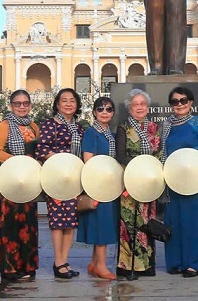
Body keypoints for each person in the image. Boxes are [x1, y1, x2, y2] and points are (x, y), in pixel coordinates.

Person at [161, 86, 198, 277]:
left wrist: (185, 158)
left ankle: (195, 263)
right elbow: (162, 149)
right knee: (175, 221)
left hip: (193, 178)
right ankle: (176, 262)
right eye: (175, 101)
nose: (179, 104)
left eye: (183, 100)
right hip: (173, 180)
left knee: (194, 221)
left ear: (190, 102)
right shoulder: (167, 125)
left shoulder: (196, 122)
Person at [0, 89, 40, 281]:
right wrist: (17, 161)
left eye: (25, 103)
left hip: (29, 180)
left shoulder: (34, 126)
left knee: (28, 223)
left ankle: (27, 265)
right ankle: (9, 267)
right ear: (11, 106)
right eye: (18, 103)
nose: (22, 106)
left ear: (30, 105)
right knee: (9, 224)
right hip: (11, 178)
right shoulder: (5, 125)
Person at [35, 88, 84, 279]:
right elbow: (42, 149)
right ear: (57, 104)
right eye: (64, 100)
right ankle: (58, 262)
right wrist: (62, 160)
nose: (68, 104)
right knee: (57, 221)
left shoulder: (79, 128)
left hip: (73, 178)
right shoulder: (50, 125)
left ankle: (65, 260)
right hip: (55, 176)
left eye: (72, 100)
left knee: (70, 221)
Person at [115, 88, 161, 277]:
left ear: (147, 107)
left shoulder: (154, 128)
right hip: (131, 179)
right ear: (129, 107)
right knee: (129, 223)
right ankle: (127, 265)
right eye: (136, 104)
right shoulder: (123, 127)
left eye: (142, 104)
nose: (139, 107)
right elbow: (120, 154)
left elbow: (158, 153)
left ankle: (147, 264)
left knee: (147, 221)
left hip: (149, 179)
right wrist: (138, 168)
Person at [77, 96, 120, 280]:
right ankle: (102, 266)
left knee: (105, 223)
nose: (104, 112)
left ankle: (95, 263)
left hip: (110, 183)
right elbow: (88, 159)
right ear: (94, 112)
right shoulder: (91, 132)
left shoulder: (110, 132)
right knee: (101, 225)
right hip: (98, 183)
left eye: (108, 109)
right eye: (100, 109)